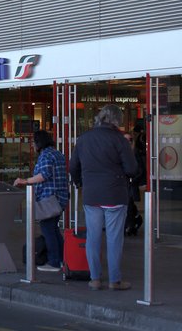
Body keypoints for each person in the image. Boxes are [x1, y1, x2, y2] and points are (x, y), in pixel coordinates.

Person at [69, 104, 139, 291]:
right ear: (117, 120)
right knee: (114, 238)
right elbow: (132, 169)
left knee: (93, 237)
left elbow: (73, 166)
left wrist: (80, 183)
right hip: (115, 194)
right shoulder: (119, 140)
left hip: (91, 195)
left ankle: (95, 279)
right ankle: (114, 281)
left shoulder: (84, 139)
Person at [14, 131, 69, 272]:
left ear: (39, 142)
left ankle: (54, 262)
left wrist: (24, 181)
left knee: (48, 230)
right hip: (60, 198)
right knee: (54, 229)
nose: (32, 145)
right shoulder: (57, 154)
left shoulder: (46, 156)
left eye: (33, 142)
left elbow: (43, 175)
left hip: (49, 199)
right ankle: (63, 259)